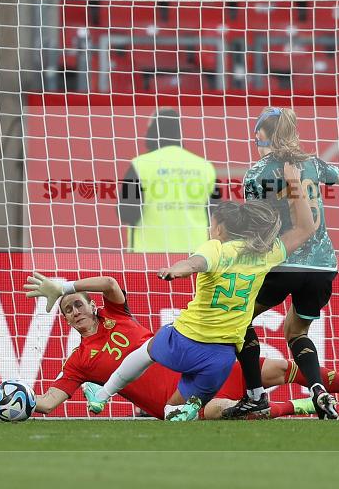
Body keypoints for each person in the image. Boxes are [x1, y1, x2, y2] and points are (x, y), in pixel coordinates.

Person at [0, 274, 339, 420]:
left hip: (201, 365)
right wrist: (1, 393)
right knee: (231, 412)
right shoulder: (78, 361)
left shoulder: (117, 314)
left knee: (280, 370)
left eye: (77, 305)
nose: (72, 312)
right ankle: (301, 409)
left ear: (91, 306)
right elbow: (48, 402)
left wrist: (65, 285)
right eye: (66, 311)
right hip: (174, 402)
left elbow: (112, 283)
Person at [82, 162, 321, 421]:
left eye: (212, 225)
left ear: (219, 229)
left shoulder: (216, 247)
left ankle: (103, 394)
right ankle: (195, 406)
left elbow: (195, 263)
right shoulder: (265, 253)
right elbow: (306, 229)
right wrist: (295, 184)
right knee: (171, 412)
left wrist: (177, 270)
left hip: (184, 341)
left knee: (145, 352)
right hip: (221, 358)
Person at [222, 107, 339, 420]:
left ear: (261, 135)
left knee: (237, 321)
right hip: (321, 268)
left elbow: (257, 221)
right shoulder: (312, 163)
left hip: (283, 262)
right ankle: (319, 389)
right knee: (296, 332)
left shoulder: (257, 174)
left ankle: (254, 396)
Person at [118, 108, 218, 253]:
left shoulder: (139, 165)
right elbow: (216, 213)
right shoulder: (204, 167)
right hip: (195, 256)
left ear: (154, 130)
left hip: (149, 256)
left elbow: (126, 211)